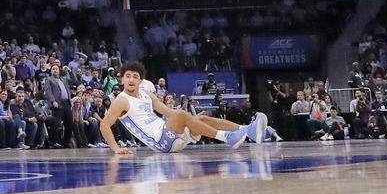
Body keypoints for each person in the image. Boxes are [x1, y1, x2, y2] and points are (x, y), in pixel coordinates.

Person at [100, 61, 267, 155]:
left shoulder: (147, 94)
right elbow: (104, 124)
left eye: (135, 76)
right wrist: (116, 148)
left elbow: (168, 112)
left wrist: (190, 119)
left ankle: (248, 130)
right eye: (127, 76)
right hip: (160, 142)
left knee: (200, 118)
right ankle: (228, 137)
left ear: (140, 81)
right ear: (121, 79)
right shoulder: (121, 101)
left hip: (170, 134)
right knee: (182, 115)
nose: (131, 79)